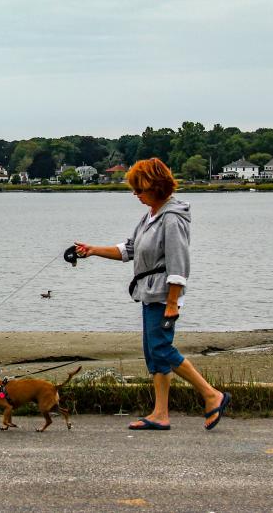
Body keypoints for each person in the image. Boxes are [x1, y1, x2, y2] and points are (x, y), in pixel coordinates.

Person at [74, 157, 231, 431]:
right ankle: (160, 414)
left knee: (161, 348)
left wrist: (172, 302)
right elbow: (130, 249)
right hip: (149, 294)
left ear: (156, 187)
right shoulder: (150, 215)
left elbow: (179, 264)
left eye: (140, 190)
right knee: (153, 354)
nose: (136, 195)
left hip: (163, 296)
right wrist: (93, 250)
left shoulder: (172, 218)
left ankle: (211, 394)